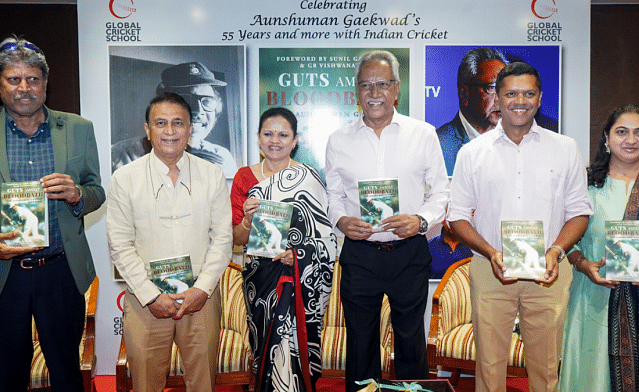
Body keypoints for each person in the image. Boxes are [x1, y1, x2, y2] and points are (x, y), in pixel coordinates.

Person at [447, 62, 592, 392]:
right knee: (489, 365)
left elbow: (579, 212)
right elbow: (457, 216)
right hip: (490, 268)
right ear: (497, 98)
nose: (520, 101)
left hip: (549, 271)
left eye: (529, 93)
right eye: (511, 93)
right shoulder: (472, 153)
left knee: (545, 367)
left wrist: (556, 250)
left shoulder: (565, 148)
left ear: (540, 98)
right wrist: (490, 251)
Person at [0, 36, 105, 391]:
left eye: (33, 79)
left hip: (60, 272)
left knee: (66, 375)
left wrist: (78, 195)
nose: (24, 88)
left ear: (45, 83)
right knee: (5, 378)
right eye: (14, 80)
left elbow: (96, 190)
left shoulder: (78, 128)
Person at [325, 50, 449, 391]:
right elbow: (333, 196)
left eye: (382, 84)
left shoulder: (422, 134)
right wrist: (341, 221)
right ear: (356, 92)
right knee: (361, 345)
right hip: (360, 255)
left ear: (396, 89)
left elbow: (441, 192)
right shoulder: (339, 140)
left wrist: (421, 221)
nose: (374, 92)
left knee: (411, 342)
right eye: (366, 85)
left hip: (409, 253)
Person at [107, 93, 232, 392]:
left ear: (190, 130)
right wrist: (151, 295)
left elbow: (223, 238)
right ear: (147, 131)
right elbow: (120, 245)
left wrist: (202, 289)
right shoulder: (125, 178)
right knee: (146, 383)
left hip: (200, 300)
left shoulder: (212, 174)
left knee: (202, 383)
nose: (170, 131)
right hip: (146, 301)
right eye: (160, 123)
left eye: (178, 123)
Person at [559, 104, 639, 392]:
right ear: (606, 138)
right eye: (621, 132)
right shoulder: (584, 184)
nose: (631, 140)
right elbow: (566, 240)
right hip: (592, 297)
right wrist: (583, 264)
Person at [231, 106, 336, 392]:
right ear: (258, 137)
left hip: (300, 277)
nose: (274, 140)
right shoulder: (244, 178)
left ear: (295, 140)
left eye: (282, 134)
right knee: (264, 344)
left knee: (298, 345)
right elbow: (237, 238)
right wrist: (248, 219)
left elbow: (325, 235)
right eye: (268, 133)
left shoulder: (309, 177)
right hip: (261, 277)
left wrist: (299, 253)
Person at [111, 61, 237, 177]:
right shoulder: (122, 156)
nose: (199, 111)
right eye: (187, 100)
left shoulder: (222, 157)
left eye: (207, 101)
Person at [437, 47, 507, 176]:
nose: (500, 98)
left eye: (505, 89)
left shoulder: (518, 141)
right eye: (491, 87)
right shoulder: (438, 145)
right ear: (464, 93)